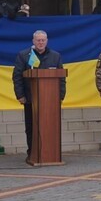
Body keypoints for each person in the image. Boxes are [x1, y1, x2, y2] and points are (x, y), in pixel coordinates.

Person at [12, 30, 66, 161]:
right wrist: (20, 95)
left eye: (43, 40)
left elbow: (62, 78)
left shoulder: (55, 56)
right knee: (31, 127)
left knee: (51, 126)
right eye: (38, 40)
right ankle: (32, 153)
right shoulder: (24, 55)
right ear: (33, 41)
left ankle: (52, 154)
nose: (41, 42)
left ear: (47, 41)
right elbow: (17, 77)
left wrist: (60, 95)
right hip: (31, 99)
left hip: (51, 101)